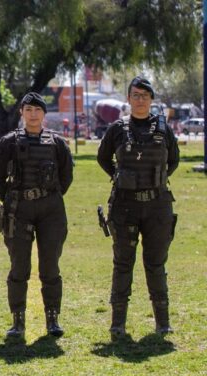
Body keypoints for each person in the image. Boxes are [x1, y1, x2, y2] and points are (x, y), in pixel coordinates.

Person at [97, 77, 179, 338]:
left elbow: (174, 161)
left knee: (156, 264)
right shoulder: (118, 129)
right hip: (125, 206)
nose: (140, 99)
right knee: (123, 264)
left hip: (157, 206)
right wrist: (120, 178)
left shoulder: (163, 128)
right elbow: (103, 158)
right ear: (129, 99)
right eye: (135, 95)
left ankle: (162, 323)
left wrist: (155, 181)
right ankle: (118, 324)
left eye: (145, 95)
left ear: (151, 99)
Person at [0, 92, 74, 338]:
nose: (33, 114)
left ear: (44, 114)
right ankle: (18, 321)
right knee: (19, 266)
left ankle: (53, 319)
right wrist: (13, 198)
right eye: (28, 110)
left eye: (37, 110)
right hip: (20, 211)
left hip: (51, 210)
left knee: (50, 265)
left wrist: (48, 196)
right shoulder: (9, 142)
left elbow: (66, 176)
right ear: (22, 113)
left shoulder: (57, 143)